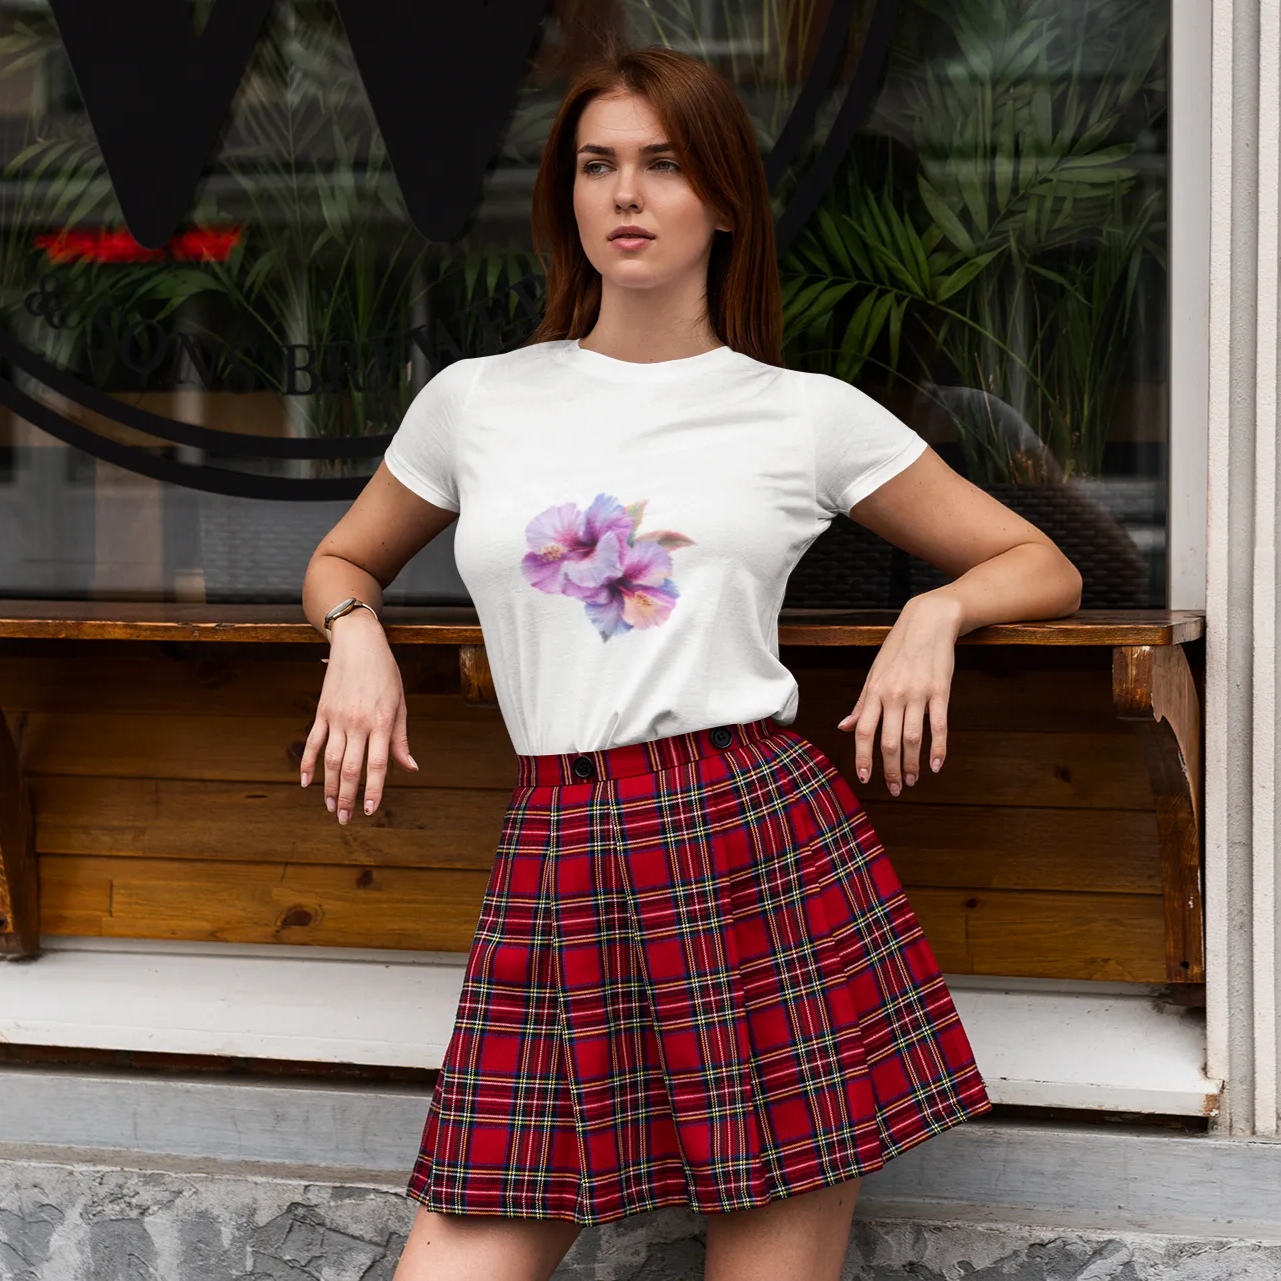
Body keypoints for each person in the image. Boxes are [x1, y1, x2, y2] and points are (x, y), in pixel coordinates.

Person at [299, 41, 1082, 1281]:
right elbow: (343, 561)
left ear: (722, 197)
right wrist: (356, 640)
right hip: (559, 843)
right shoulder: (476, 401)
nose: (625, 193)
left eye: (663, 165)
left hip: (747, 843)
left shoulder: (802, 413)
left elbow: (1042, 561)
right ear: (566, 196)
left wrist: (935, 616)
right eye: (598, 165)